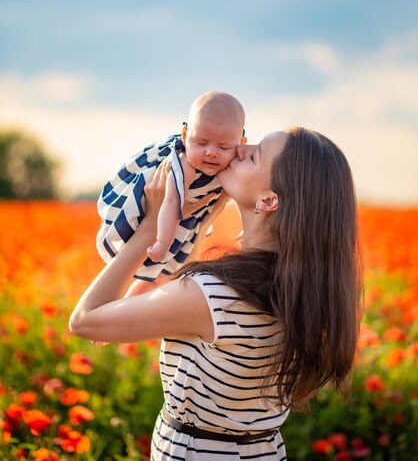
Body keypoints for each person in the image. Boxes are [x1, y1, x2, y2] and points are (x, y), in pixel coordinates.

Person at [70, 126, 363, 461]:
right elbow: (186, 293)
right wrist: (194, 227)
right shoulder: (300, 289)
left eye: (253, 155)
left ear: (269, 200)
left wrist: (149, 230)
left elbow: (85, 320)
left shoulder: (214, 296)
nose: (238, 149)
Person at [96, 91, 246, 283]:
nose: (211, 152)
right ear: (185, 135)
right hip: (160, 215)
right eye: (200, 143)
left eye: (224, 147)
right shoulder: (184, 164)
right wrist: (162, 242)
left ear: (241, 143)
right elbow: (171, 201)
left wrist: (245, 229)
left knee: (168, 275)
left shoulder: (233, 165)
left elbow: (243, 194)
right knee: (157, 268)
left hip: (188, 221)